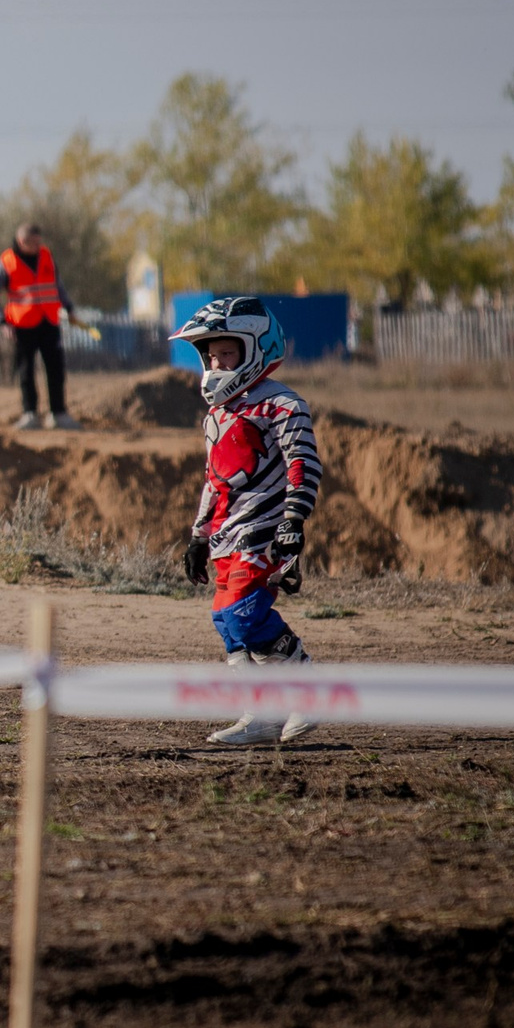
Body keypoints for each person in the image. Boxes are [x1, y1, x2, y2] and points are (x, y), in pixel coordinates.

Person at [175, 296, 325, 746]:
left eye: (227, 353)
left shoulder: (282, 403)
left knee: (243, 615)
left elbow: (303, 462)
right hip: (227, 532)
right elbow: (214, 480)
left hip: (264, 529)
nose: (218, 362)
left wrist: (294, 520)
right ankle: (260, 714)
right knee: (225, 619)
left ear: (254, 348)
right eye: (211, 354)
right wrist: (199, 537)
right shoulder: (217, 414)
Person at [0, 222, 80, 430]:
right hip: (22, 325)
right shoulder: (6, 262)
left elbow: (56, 285)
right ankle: (30, 414)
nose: (37, 246)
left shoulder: (46, 256)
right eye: (32, 242)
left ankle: (58, 414)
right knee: (25, 371)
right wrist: (2, 321)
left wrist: (68, 307)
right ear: (21, 241)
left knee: (55, 369)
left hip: (49, 321)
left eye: (38, 241)